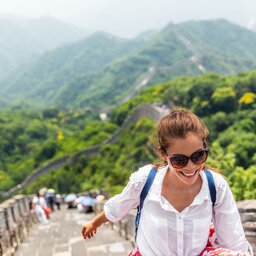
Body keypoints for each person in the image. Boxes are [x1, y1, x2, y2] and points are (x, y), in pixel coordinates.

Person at [81, 109, 253, 255]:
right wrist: (93, 223)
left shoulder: (215, 186)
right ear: (163, 154)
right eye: (180, 160)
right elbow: (117, 208)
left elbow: (233, 240)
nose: (191, 167)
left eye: (198, 156)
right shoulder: (145, 181)